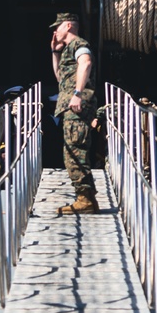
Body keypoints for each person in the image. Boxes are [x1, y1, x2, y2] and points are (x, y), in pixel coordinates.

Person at [50, 12, 99, 214]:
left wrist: (77, 93)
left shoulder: (79, 44)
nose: (55, 31)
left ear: (68, 25)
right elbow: (60, 78)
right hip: (70, 107)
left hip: (77, 107)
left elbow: (86, 63)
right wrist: (54, 52)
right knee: (72, 152)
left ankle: (85, 200)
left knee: (75, 154)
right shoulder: (68, 49)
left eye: (58, 27)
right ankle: (86, 198)